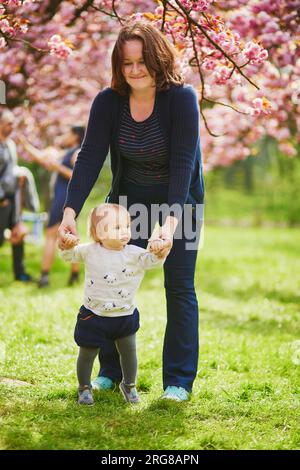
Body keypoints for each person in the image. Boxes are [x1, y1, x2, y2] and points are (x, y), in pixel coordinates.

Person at [58, 21, 204, 402]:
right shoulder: (109, 101)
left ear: (158, 59)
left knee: (180, 287)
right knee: (110, 276)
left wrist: (169, 226)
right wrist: (70, 212)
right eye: (127, 64)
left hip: (180, 201)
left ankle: (178, 381)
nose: (136, 70)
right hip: (129, 202)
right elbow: (90, 157)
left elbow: (183, 164)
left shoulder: (182, 98)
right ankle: (110, 370)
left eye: (143, 61)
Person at [60, 202, 167, 405]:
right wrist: (66, 244)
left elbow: (153, 261)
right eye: (117, 228)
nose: (125, 232)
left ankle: (129, 385)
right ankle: (84, 387)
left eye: (127, 226)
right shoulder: (90, 251)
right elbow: (69, 255)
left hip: (124, 316)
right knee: (87, 353)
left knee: (129, 353)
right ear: (98, 233)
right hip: (93, 315)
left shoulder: (134, 254)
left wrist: (159, 251)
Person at [19, 126, 85, 287]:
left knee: (50, 235)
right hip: (67, 200)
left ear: (76, 136)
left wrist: (58, 168)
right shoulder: (67, 152)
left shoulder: (77, 153)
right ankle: (74, 275)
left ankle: (45, 276)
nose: (64, 135)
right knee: (70, 236)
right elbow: (43, 159)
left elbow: (79, 176)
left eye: (68, 132)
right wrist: (25, 145)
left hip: (65, 199)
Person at [0, 109, 35, 282]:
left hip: (13, 200)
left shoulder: (11, 144)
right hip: (2, 201)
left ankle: (20, 273)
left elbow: (9, 171)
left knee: (18, 235)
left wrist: (19, 178)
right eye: (9, 123)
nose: (13, 126)